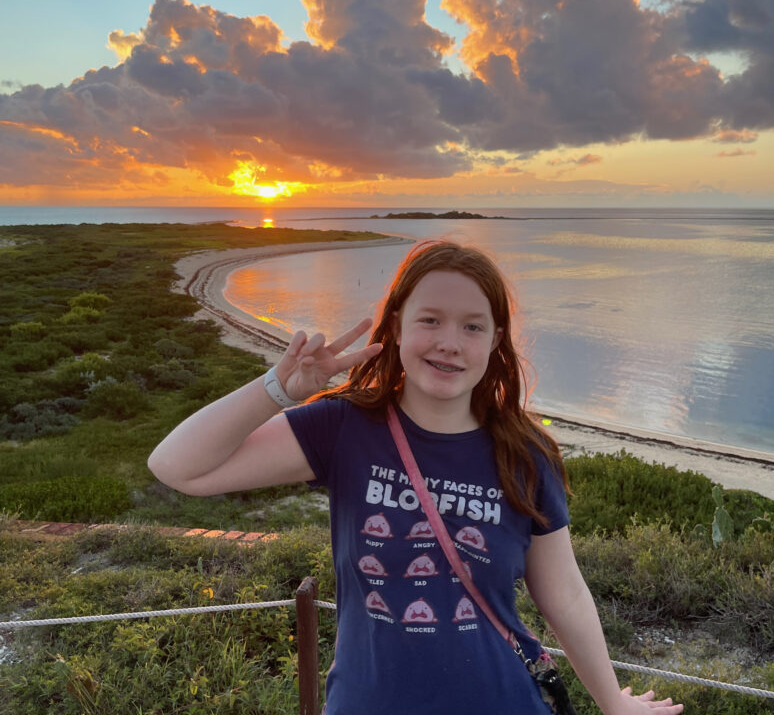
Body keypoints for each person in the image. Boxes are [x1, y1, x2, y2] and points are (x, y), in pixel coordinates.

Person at [148, 240, 683, 715]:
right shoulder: (344, 427)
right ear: (397, 324)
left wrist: (613, 702)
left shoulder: (524, 451)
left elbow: (563, 592)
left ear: (495, 340)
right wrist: (280, 390)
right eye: (430, 320)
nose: (450, 342)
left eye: (472, 326)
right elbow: (178, 468)